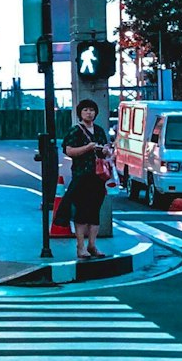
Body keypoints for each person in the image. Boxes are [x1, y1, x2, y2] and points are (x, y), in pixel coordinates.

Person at [59, 99, 112, 260]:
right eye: (85, 110)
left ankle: (92, 245)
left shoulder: (100, 131)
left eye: (91, 110)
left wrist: (105, 150)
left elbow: (105, 150)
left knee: (95, 211)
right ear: (80, 113)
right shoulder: (75, 131)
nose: (89, 113)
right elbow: (69, 151)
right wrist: (87, 148)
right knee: (81, 212)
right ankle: (80, 246)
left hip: (98, 176)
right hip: (81, 175)